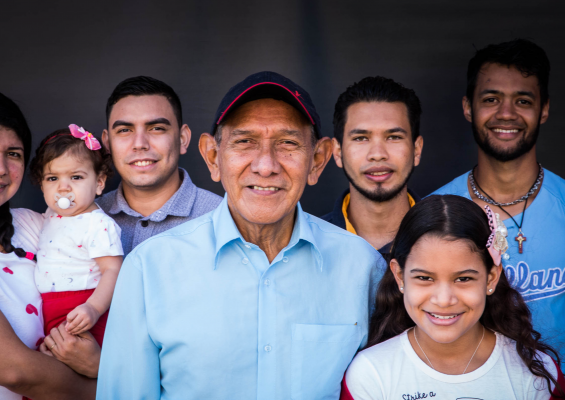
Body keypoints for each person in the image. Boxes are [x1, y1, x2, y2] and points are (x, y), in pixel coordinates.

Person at [97, 71, 386, 400]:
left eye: (287, 143)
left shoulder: (362, 268)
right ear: (212, 157)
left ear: (317, 161)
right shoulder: (149, 269)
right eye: (244, 142)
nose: (265, 166)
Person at [341, 195, 565, 399]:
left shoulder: (536, 374)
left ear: (491, 279)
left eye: (463, 279)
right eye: (425, 278)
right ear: (400, 276)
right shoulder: (370, 375)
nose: (444, 300)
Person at [0, 90, 97, 398]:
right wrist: (112, 387)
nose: (0, 168)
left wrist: (100, 362)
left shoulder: (34, 225)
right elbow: (13, 370)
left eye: (13, 154)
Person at [431, 39, 565, 361]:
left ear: (544, 109)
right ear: (468, 107)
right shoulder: (438, 211)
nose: (506, 114)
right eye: (491, 99)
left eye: (523, 100)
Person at [97, 76, 222, 254]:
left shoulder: (222, 220)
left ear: (183, 139)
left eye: (156, 128)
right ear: (107, 143)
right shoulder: (83, 215)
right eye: (125, 130)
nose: (140, 143)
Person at [29, 124, 124, 347]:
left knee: (79, 358)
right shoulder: (50, 215)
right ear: (42, 185)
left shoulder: (97, 223)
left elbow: (113, 270)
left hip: (85, 306)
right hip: (50, 307)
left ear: (99, 183)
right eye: (52, 179)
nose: (63, 188)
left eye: (76, 177)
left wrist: (93, 307)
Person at [322, 77, 423, 258]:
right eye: (360, 138)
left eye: (393, 137)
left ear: (417, 150)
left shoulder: (451, 239)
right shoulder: (311, 245)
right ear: (337, 152)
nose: (377, 154)